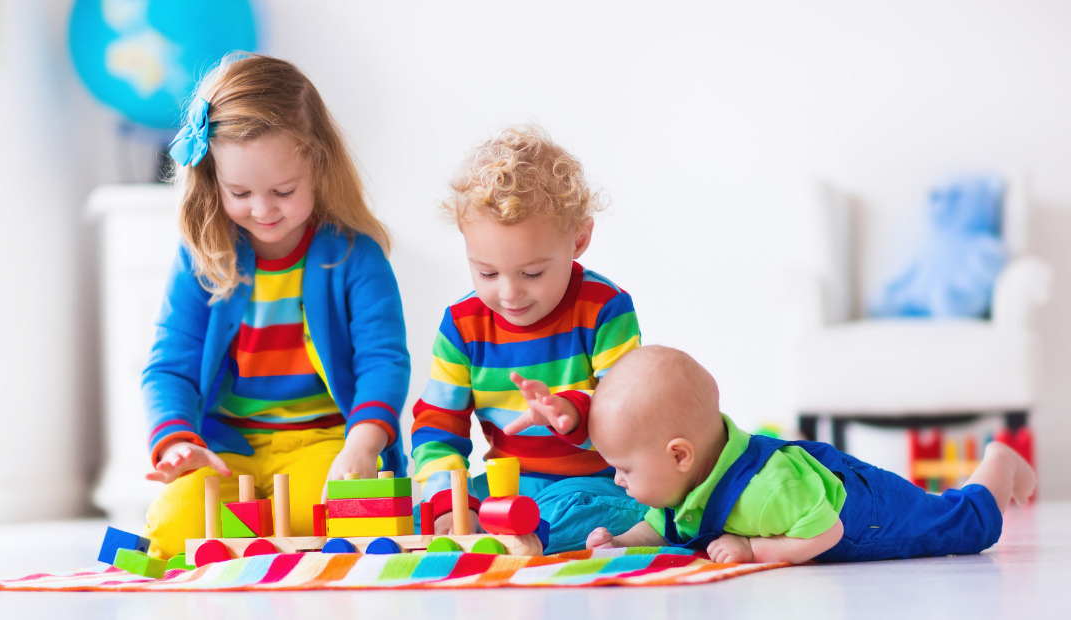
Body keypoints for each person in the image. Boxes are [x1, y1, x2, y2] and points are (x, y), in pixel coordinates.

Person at [141, 54, 409, 559]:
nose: (262, 210)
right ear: (211, 178)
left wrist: (364, 444)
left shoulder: (356, 257)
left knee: (329, 518)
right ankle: (250, 538)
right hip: (227, 452)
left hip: (325, 443)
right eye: (239, 192)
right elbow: (168, 367)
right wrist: (178, 441)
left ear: (317, 167)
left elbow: (383, 359)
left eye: (283, 191)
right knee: (175, 530)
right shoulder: (202, 256)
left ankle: (265, 543)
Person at [411, 125, 647, 553]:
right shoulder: (462, 324)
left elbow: (632, 421)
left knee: (582, 508)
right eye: (486, 273)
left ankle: (525, 539)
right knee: (419, 513)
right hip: (508, 488)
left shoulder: (605, 309)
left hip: (596, 483)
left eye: (532, 273)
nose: (508, 293)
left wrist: (570, 414)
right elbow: (437, 426)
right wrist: (450, 504)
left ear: (579, 240)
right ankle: (505, 535)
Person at [585, 345, 1037, 564]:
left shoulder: (765, 494)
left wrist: (752, 548)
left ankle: (998, 462)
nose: (619, 480)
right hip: (815, 484)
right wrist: (620, 544)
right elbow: (664, 526)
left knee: (960, 528)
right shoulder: (687, 482)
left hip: (861, 512)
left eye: (624, 469)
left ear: (680, 455)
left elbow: (826, 533)